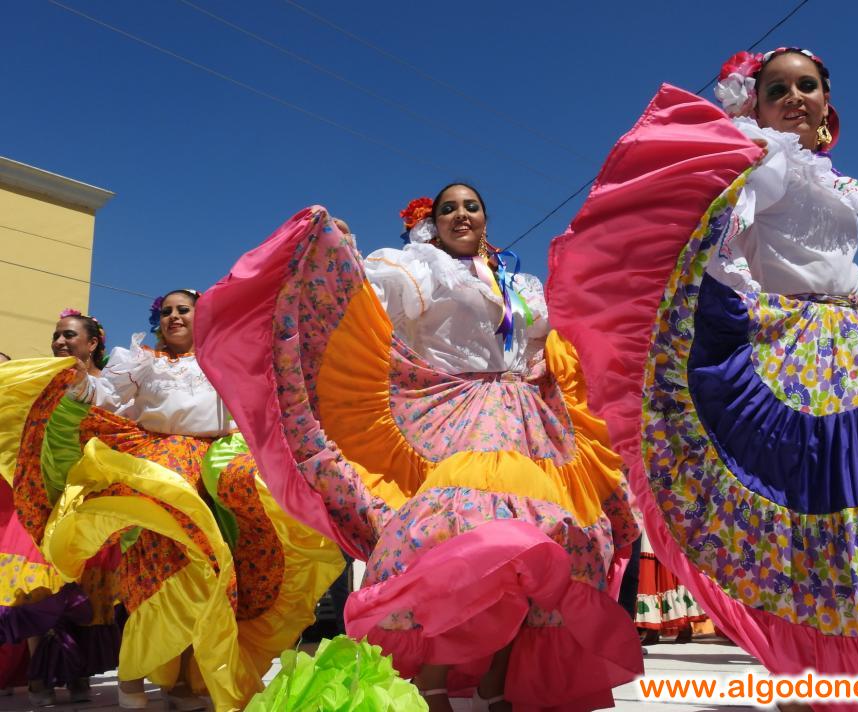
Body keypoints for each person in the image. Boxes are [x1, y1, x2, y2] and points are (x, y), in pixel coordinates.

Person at [546, 47, 858, 705]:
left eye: (807, 86)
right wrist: (729, 314)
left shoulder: (833, 179)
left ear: (826, 111)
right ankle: (819, 678)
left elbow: (835, 270)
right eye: (777, 88)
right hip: (793, 362)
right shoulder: (759, 166)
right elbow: (717, 248)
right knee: (821, 522)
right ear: (753, 107)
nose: (794, 96)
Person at [195, 189, 643, 711]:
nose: (460, 215)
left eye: (471, 206)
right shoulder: (418, 267)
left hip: (528, 419)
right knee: (459, 536)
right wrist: (336, 250)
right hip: (452, 412)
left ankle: (498, 681)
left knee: (551, 542)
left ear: (486, 218)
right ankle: (432, 681)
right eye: (447, 208)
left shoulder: (520, 284)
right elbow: (363, 299)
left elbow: (555, 337)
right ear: (430, 224)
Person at [0, 292, 343, 710]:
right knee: (159, 574)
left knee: (215, 576)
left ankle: (184, 681)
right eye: (167, 311)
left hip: (214, 470)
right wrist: (75, 385)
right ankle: (132, 677)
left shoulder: (228, 358)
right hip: (159, 471)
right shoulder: (140, 361)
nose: (174, 316)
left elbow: (273, 388)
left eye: (184, 309)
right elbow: (105, 397)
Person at [0, 310, 120, 707]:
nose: (60, 342)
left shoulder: (113, 387)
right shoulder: (46, 381)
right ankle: (40, 676)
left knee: (85, 592)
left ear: (93, 342)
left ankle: (75, 671)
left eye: (69, 335)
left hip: (92, 497)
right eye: (56, 336)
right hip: (45, 496)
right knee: (42, 586)